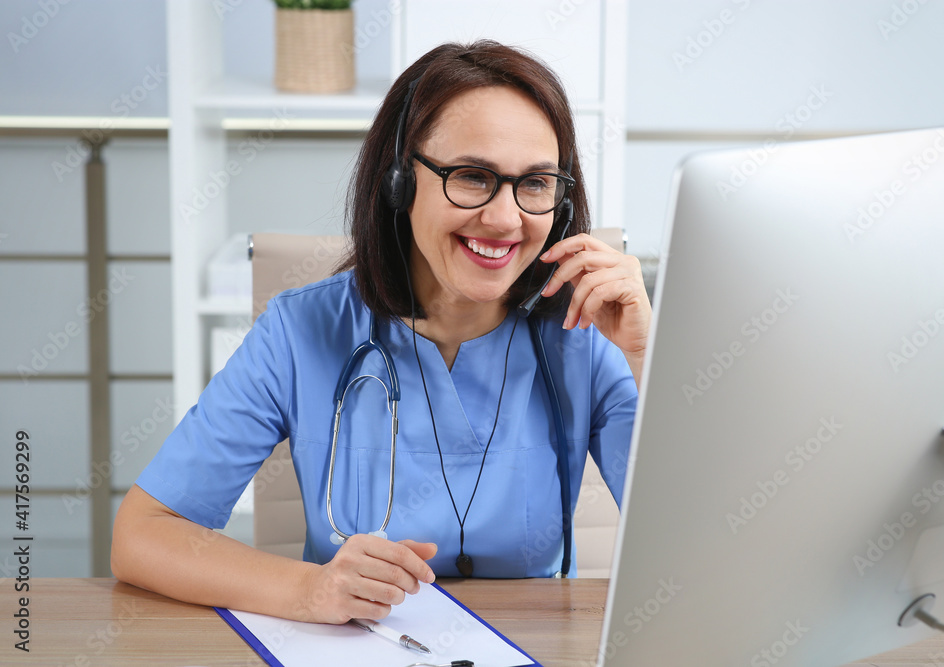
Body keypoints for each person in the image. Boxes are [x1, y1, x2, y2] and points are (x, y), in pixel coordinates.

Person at [111, 40, 651, 626]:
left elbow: (697, 548)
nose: (504, 219)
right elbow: (143, 535)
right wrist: (308, 590)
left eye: (536, 183)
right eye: (472, 177)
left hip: (536, 645)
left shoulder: (589, 337)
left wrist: (648, 358)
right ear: (399, 182)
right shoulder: (300, 332)